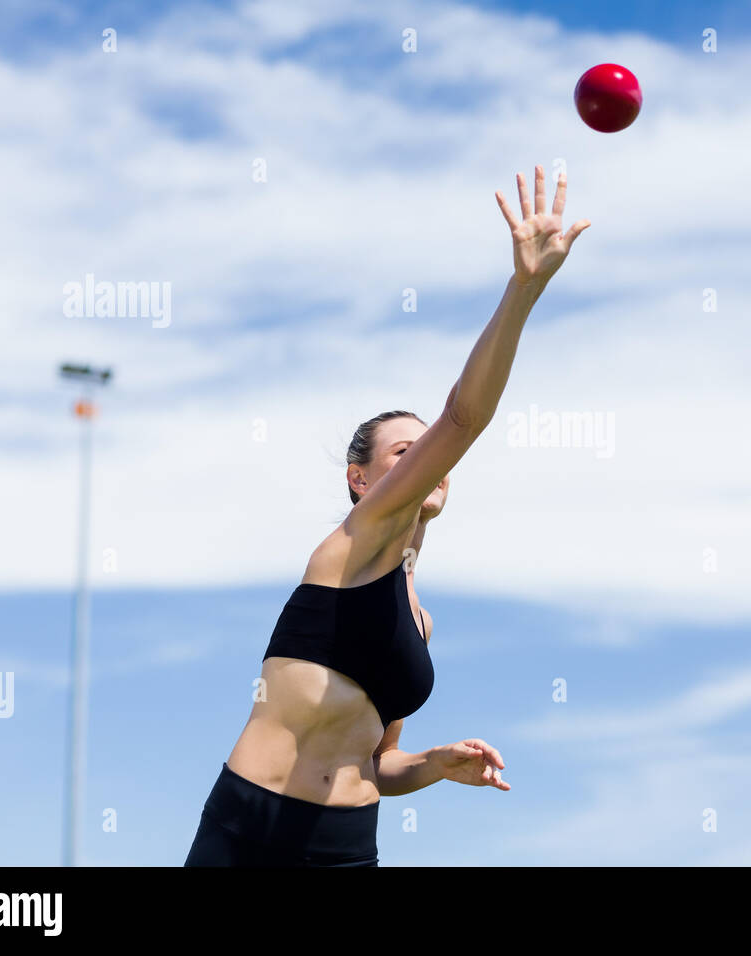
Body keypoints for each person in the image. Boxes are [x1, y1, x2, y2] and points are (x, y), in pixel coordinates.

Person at [183, 165, 591, 866]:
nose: (424, 462)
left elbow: (376, 763)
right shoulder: (352, 547)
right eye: (405, 452)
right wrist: (523, 289)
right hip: (251, 827)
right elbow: (464, 417)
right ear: (360, 479)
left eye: (423, 453)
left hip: (345, 845)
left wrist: (433, 763)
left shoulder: (419, 619)